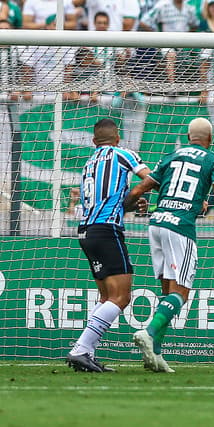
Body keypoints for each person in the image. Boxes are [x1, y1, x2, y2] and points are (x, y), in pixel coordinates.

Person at [124, 118, 214, 373]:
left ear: (188, 137)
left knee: (167, 293)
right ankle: (149, 332)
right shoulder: (212, 159)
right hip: (180, 228)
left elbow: (140, 188)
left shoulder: (170, 156)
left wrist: (121, 209)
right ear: (210, 140)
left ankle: (156, 355)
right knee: (181, 294)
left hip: (156, 224)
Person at [66, 118, 151, 373]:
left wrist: (131, 203)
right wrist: (138, 195)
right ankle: (81, 349)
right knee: (121, 296)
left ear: (94, 141)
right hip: (107, 230)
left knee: (106, 296)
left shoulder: (89, 163)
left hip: (85, 231)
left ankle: (86, 354)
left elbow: (107, 200)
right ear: (117, 139)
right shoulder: (123, 154)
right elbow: (150, 178)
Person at [72, 0, 140, 31]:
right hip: (94, 45)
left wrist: (119, 48)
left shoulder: (131, 1)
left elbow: (128, 25)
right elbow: (75, 2)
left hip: (117, 45)